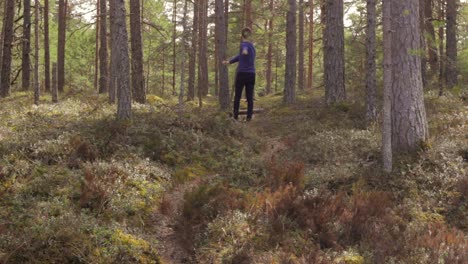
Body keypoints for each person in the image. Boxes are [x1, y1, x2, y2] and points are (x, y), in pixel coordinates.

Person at [223, 27, 256, 121]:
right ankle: (249, 117)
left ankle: (235, 116)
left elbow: (244, 51)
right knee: (249, 97)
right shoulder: (252, 47)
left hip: (242, 74)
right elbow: (240, 56)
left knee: (237, 96)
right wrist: (229, 62)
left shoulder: (244, 44)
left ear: (242, 36)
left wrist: (244, 50)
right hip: (251, 74)